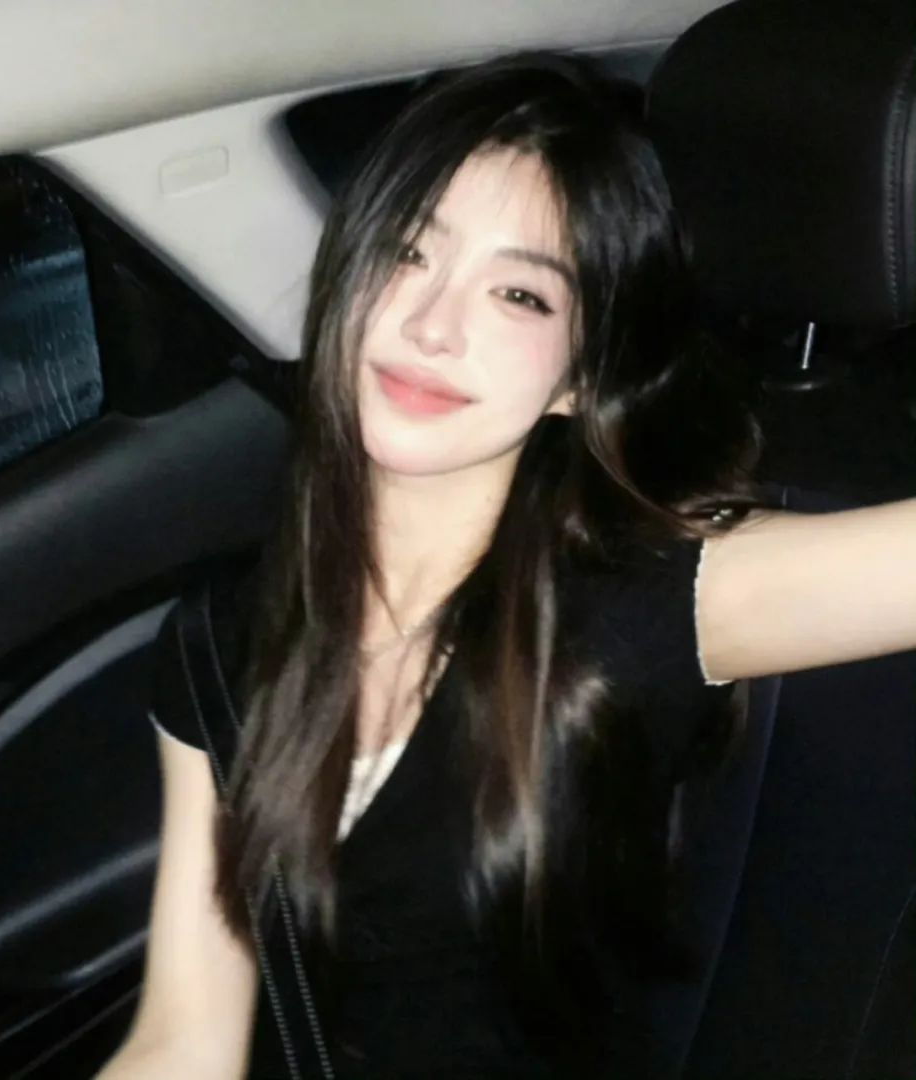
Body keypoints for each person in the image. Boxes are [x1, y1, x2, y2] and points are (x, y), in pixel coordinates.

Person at [98, 52, 916, 1078]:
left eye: (521, 295)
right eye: (408, 252)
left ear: (580, 376)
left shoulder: (644, 598)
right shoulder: (215, 647)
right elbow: (186, 1040)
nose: (433, 326)